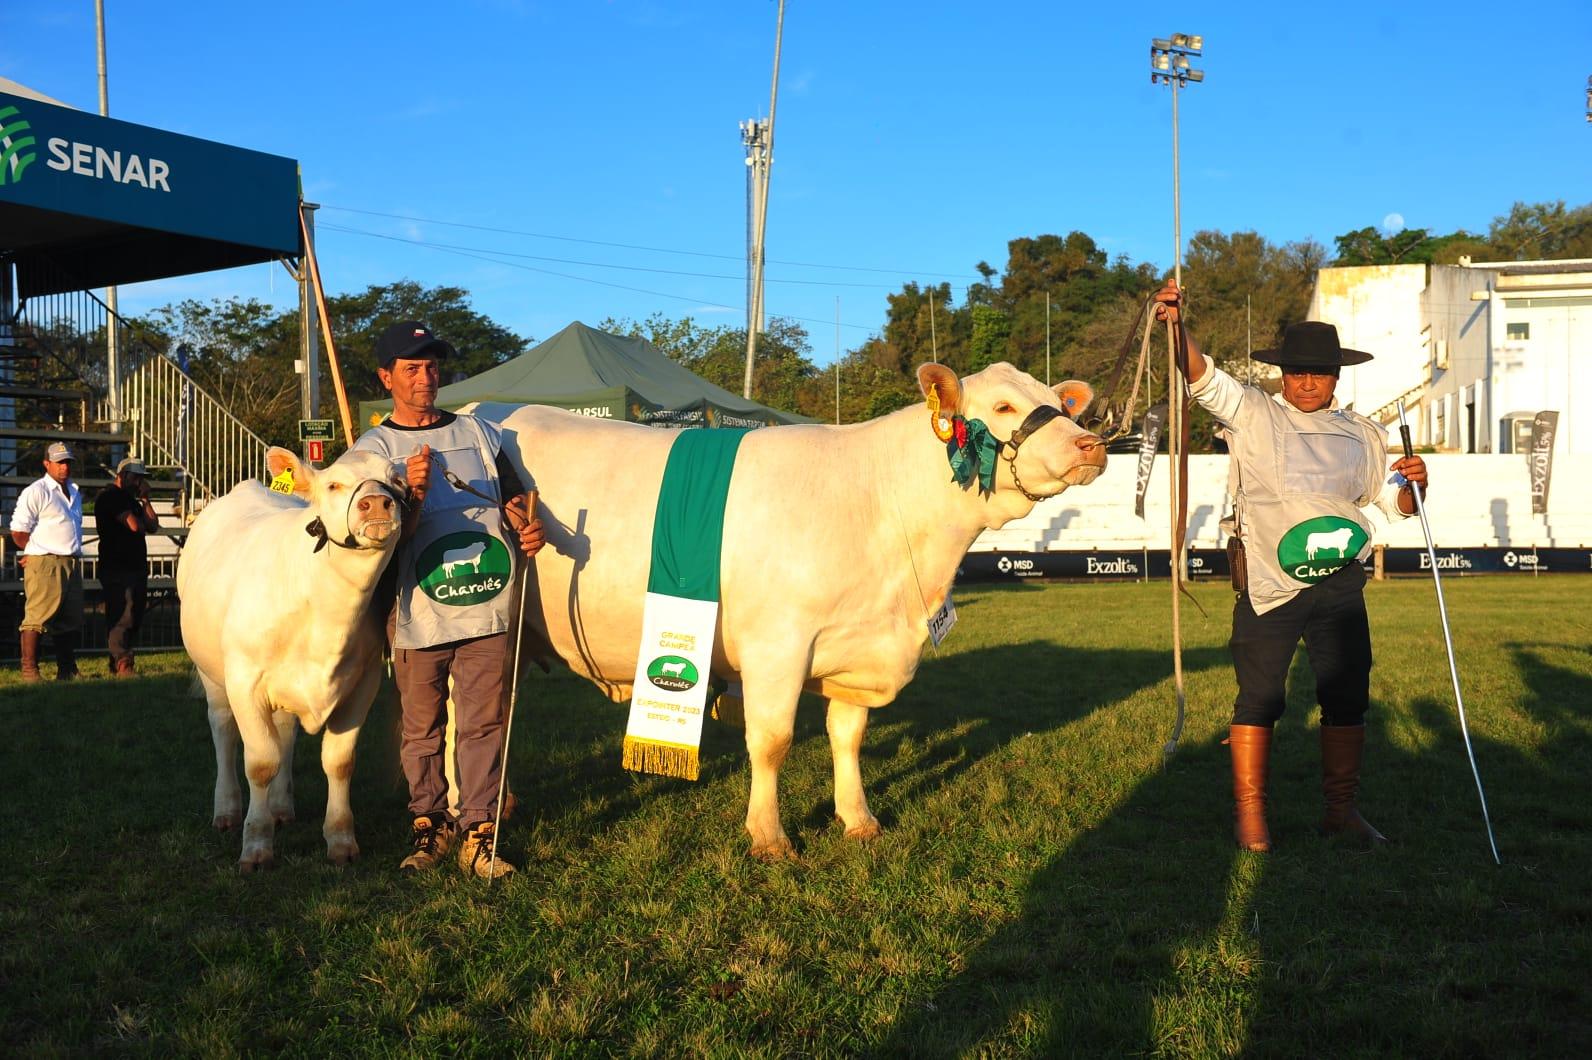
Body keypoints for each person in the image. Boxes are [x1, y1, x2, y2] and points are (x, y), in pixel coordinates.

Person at [1154, 283, 1429, 853]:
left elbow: (1394, 505)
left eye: (1319, 373)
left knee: (1347, 696)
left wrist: (1416, 485)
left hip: (1340, 586)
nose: (1307, 382)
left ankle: (1341, 812)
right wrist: (1178, 326)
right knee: (1260, 698)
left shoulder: (1366, 435)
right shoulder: (1252, 412)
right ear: (1282, 373)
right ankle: (1251, 817)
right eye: (1298, 371)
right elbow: (1202, 376)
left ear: (1336, 377)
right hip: (1267, 583)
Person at [353, 320, 545, 879]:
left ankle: (480, 831)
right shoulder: (374, 451)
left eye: (432, 367)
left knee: (485, 721)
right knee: (422, 726)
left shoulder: (482, 434)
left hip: (486, 602)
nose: (424, 378)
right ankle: (429, 825)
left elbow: (514, 499)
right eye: (411, 368)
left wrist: (527, 528)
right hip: (415, 612)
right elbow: (381, 542)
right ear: (386, 377)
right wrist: (409, 496)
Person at [8, 441, 86, 681]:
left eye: (68, 462)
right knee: (37, 617)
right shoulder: (37, 491)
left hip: (70, 561)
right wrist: (33, 551)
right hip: (46, 561)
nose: (65, 467)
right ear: (46, 463)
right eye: (59, 462)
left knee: (69, 618)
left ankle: (66, 670)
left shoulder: (73, 490)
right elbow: (18, 531)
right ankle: (30, 670)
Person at [94, 457, 160, 677]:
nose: (139, 482)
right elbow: (134, 526)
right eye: (135, 477)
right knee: (122, 614)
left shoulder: (132, 500)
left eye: (141, 478)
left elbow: (152, 526)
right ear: (121, 476)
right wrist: (139, 517)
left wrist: (145, 500)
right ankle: (123, 663)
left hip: (135, 566)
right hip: (116, 567)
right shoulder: (110, 496)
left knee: (135, 613)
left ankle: (118, 662)